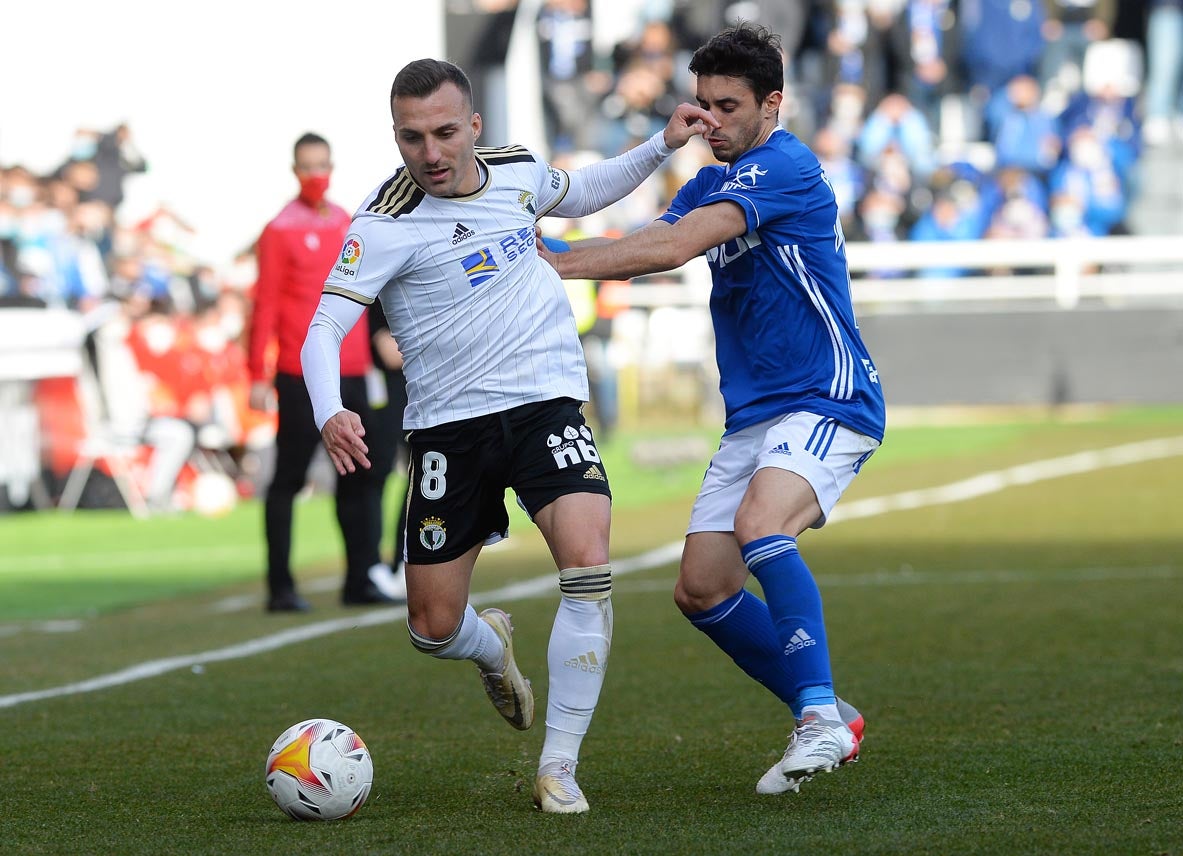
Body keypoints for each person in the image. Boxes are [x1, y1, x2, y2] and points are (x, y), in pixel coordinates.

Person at [300, 59, 716, 813]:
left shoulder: (517, 172)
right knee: (431, 628)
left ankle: (559, 765)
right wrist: (330, 408)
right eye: (411, 137)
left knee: (588, 564)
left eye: (445, 133)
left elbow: (583, 191)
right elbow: (324, 328)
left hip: (543, 404)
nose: (429, 153)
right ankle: (491, 647)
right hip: (446, 432)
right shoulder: (383, 221)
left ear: (474, 127)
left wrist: (661, 146)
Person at [538, 22, 885, 796]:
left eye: (727, 106)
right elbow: (641, 240)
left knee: (762, 525)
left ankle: (819, 718)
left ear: (772, 103)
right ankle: (824, 703)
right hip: (757, 413)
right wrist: (546, 250)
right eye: (699, 104)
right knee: (700, 586)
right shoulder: (707, 180)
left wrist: (548, 264)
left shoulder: (784, 167)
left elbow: (670, 250)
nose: (709, 122)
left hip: (825, 394)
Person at [247, 132, 395, 612]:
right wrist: (256, 372)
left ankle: (362, 576)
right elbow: (265, 304)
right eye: (308, 166)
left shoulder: (346, 223)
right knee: (289, 478)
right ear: (295, 170)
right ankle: (280, 586)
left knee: (363, 474)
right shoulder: (280, 229)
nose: (317, 174)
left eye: (323, 165)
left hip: (352, 369)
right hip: (299, 371)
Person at [363, 303, 410, 601]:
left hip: (411, 392)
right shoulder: (381, 295)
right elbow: (390, 353)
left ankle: (405, 561)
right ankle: (376, 565)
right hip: (387, 397)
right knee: (376, 476)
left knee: (421, 479)